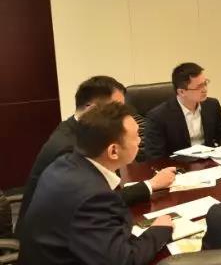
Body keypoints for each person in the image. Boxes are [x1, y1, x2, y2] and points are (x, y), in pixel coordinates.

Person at [12, 102, 173, 265]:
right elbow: (123, 264)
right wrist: (159, 230)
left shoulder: (69, 164)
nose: (141, 140)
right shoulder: (92, 196)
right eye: (135, 136)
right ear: (113, 151)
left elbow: (96, 207)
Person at [19, 76, 176, 224]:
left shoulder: (78, 129)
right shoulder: (69, 147)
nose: (122, 115)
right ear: (93, 110)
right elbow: (97, 200)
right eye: (115, 108)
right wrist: (150, 185)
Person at [143, 62, 221, 160]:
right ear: (181, 92)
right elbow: (155, 155)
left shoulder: (212, 105)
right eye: (199, 87)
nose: (205, 89)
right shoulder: (158, 116)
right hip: (179, 165)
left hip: (210, 161)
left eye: (205, 83)